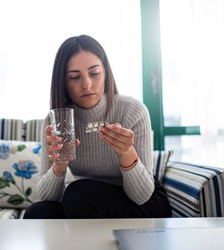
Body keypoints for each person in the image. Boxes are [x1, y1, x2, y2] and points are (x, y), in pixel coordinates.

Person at [23, 35, 172, 219]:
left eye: (94, 73)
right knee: (37, 213)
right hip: (91, 199)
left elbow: (141, 196)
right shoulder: (57, 121)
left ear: (106, 73)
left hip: (145, 201)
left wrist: (127, 154)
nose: (87, 84)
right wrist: (59, 166)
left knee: (78, 194)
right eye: (75, 77)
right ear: (63, 82)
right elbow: (46, 197)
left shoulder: (132, 111)